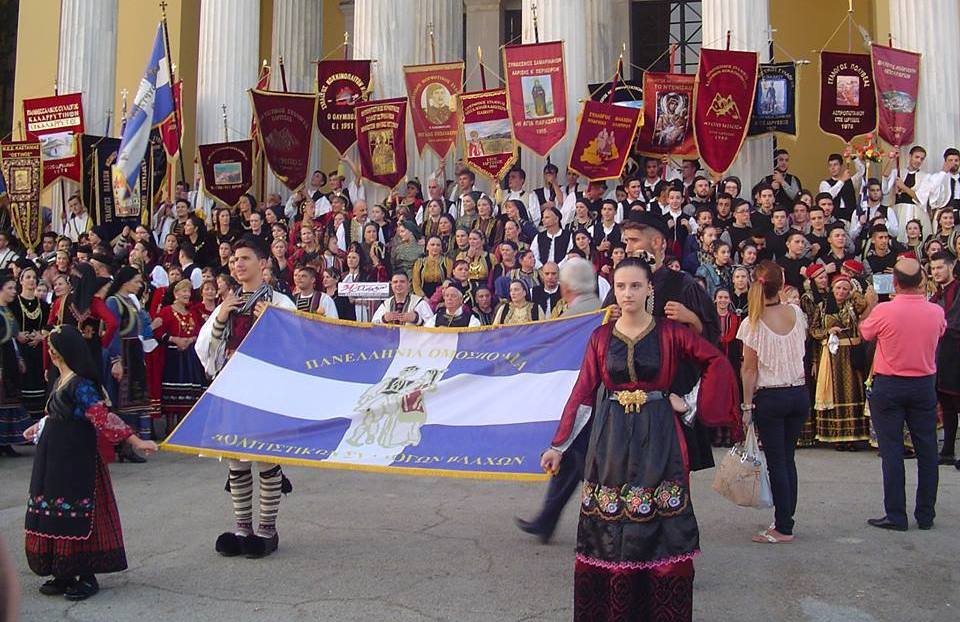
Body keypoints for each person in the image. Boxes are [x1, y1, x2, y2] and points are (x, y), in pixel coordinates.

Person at [541, 258, 739, 620]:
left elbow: (716, 361)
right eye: (621, 286)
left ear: (650, 289)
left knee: (660, 525)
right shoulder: (601, 337)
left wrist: (690, 401)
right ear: (613, 291)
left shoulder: (670, 333)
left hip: (660, 436)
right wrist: (559, 445)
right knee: (611, 525)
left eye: (635, 286)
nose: (628, 293)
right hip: (611, 440)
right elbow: (584, 392)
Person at [23, 325, 158, 600]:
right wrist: (37, 427)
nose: (50, 351)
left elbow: (101, 416)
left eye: (53, 347)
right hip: (53, 458)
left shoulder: (81, 383)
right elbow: (56, 415)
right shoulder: (59, 379)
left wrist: (135, 441)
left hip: (76, 458)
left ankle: (85, 575)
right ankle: (62, 572)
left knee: (78, 513)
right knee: (53, 511)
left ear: (62, 351)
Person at [196, 240, 296, 558]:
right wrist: (222, 316)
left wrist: (275, 320)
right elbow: (206, 350)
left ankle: (267, 529)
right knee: (236, 460)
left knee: (266, 458)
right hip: (233, 388)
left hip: (266, 392)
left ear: (262, 262)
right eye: (235, 259)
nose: (238, 264)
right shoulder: (228, 302)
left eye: (245, 258)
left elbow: (298, 347)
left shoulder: (280, 302)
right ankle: (242, 527)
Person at [515, 257, 602, 543]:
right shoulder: (600, 310)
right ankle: (546, 520)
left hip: (585, 403)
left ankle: (552, 521)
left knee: (577, 461)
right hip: (594, 401)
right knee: (573, 462)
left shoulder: (575, 319)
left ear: (565, 288)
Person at [859, 257, 944, 531]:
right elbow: (940, 333)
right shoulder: (935, 311)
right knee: (927, 450)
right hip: (923, 384)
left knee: (892, 451)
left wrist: (872, 304)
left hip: (890, 384)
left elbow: (865, 332)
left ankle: (896, 514)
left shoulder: (885, 310)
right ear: (921, 281)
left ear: (894, 282)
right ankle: (926, 513)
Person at [738, 260, 810, 543]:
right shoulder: (795, 312)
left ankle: (783, 525)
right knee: (787, 459)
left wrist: (746, 406)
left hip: (772, 396)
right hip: (798, 392)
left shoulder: (752, 323)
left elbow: (749, 369)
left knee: (777, 462)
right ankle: (786, 518)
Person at [810, 273, 870, 450]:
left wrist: (854, 291)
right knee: (834, 392)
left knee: (852, 390)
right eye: (838, 288)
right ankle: (836, 436)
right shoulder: (822, 307)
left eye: (845, 289)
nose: (841, 292)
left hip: (850, 353)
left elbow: (863, 304)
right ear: (832, 289)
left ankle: (852, 436)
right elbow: (813, 330)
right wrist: (828, 332)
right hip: (831, 355)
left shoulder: (852, 305)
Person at [105, 268, 155, 450]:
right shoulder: (113, 302)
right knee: (123, 401)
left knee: (135, 400)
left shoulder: (130, 302)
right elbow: (112, 333)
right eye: (136, 281)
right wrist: (116, 360)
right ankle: (122, 444)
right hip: (123, 352)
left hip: (134, 352)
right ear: (125, 282)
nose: (139, 285)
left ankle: (132, 442)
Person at [153, 280, 206, 434]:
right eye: (183, 291)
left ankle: (183, 429)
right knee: (172, 392)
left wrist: (189, 340)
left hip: (189, 356)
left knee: (188, 392)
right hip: (173, 355)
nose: (187, 294)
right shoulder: (166, 311)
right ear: (176, 294)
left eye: (188, 291)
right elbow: (157, 332)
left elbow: (200, 332)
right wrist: (174, 339)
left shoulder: (192, 313)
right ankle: (170, 428)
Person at [928, 252, 960, 466]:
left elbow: (954, 323)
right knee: (947, 405)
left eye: (940, 267)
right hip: (942, 357)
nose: (936, 272)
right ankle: (947, 450)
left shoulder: (957, 291)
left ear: (950, 267)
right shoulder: (937, 294)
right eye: (933, 268)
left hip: (956, 353)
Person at [11, 265, 50, 420]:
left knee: (38, 383)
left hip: (38, 350)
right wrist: (16, 334)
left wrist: (41, 335)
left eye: (34, 277)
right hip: (20, 350)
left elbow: (50, 324)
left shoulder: (43, 305)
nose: (31, 280)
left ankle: (37, 420)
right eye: (28, 277)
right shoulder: (13, 303)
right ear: (21, 281)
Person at [0, 274, 30, 456]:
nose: (14, 292)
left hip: (9, 356)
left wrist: (18, 357)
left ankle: (6, 442)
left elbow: (12, 339)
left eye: (14, 288)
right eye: (10, 288)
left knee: (9, 398)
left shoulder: (7, 310)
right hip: (1, 359)